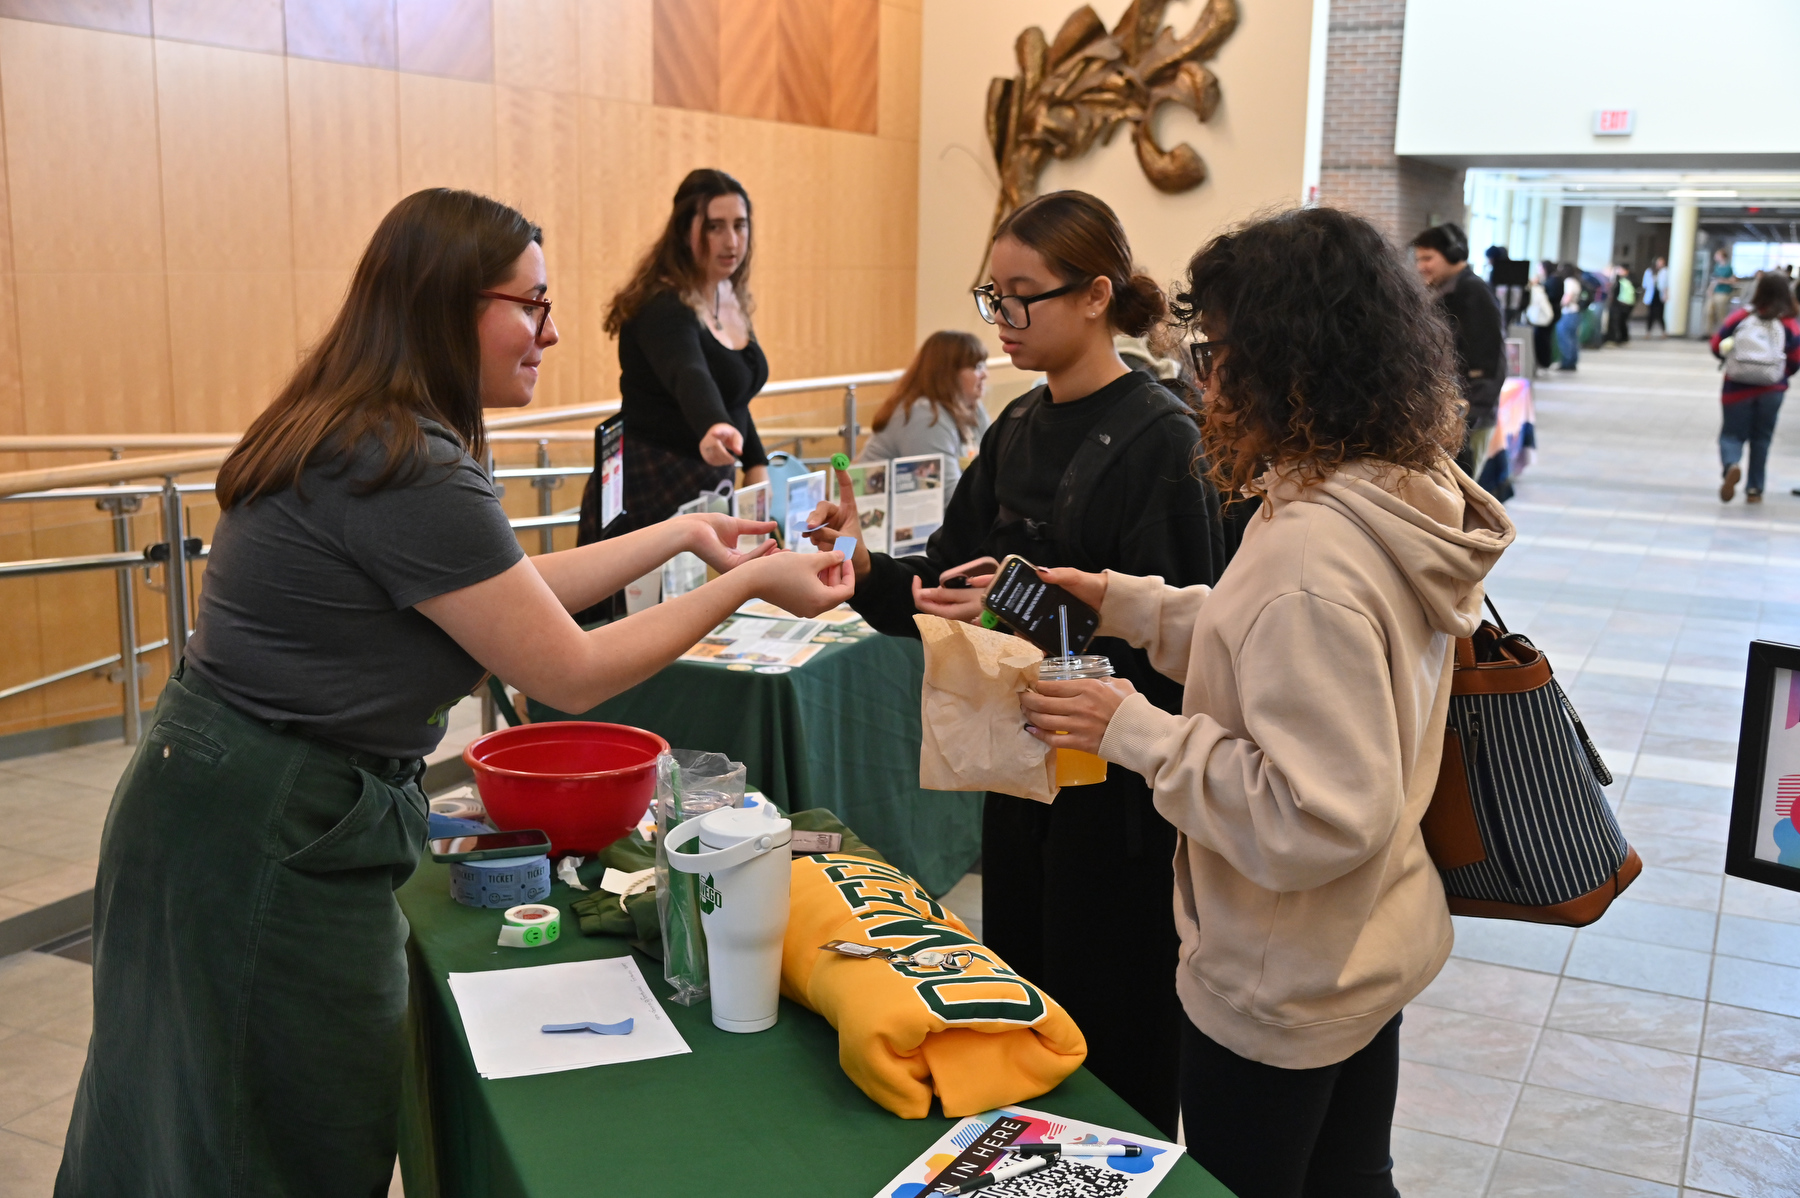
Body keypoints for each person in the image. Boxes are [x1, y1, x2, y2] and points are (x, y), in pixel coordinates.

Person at [55, 189, 854, 1196]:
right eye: (531, 304)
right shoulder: (406, 463)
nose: (553, 331)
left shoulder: (374, 430)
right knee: (264, 1137)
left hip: (217, 795)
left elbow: (500, 600)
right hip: (260, 828)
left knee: (192, 1119)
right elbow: (563, 667)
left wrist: (686, 537)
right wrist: (744, 586)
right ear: (446, 305)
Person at [1017, 205, 1515, 1198]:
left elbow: (1318, 809)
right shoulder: (1384, 490)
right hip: (1361, 945)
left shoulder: (1308, 553)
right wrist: (1129, 604)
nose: (1204, 377)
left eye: (1219, 350)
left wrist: (1138, 732)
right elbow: (1282, 653)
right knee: (1352, 1179)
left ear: (1288, 363)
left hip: (1283, 975)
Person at [806, 190, 1230, 1137]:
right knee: (1025, 1024)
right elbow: (948, 584)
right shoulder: (1017, 426)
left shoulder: (1165, 442)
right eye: (991, 296)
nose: (1001, 321)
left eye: (1022, 297)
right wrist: (864, 565)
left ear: (1096, 296)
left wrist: (1009, 612)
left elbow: (1187, 656)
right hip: (1021, 784)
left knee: (1116, 1052)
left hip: (1119, 812)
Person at [575, 169, 769, 572]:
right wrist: (714, 424)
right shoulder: (662, 305)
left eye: (740, 225)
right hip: (652, 483)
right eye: (715, 227)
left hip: (707, 482)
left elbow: (735, 396)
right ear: (685, 231)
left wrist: (756, 464)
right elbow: (690, 374)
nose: (731, 241)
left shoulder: (727, 293)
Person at [1410, 223, 1506, 478]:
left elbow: (1486, 358)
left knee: (1463, 488)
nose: (1421, 266)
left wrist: (1470, 415)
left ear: (1454, 253)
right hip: (1454, 411)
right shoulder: (1447, 290)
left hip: (1466, 414)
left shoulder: (1471, 291)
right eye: (1419, 259)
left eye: (1428, 258)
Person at [859, 330, 990, 500]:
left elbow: (993, 467)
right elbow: (949, 497)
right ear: (948, 373)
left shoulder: (973, 408)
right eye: (976, 367)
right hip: (879, 518)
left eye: (983, 365)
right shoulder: (924, 415)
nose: (985, 374)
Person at [1712, 271, 1800, 504]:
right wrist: (1780, 376)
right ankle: (1754, 489)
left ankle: (1731, 465)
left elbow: (1715, 344)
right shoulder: (1789, 322)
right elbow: (1796, 359)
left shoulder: (1742, 316)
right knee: (1761, 439)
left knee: (1731, 434)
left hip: (1736, 388)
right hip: (1772, 390)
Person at [1526, 264, 1556, 374]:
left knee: (1543, 341)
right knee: (1544, 341)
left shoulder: (1551, 281)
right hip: (1546, 318)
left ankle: (1544, 363)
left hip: (1544, 319)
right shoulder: (1549, 281)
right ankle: (1544, 363)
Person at [1554, 261, 1583, 369]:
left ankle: (1567, 362)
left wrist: (1559, 305)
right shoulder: (1575, 281)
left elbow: (1567, 297)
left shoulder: (1569, 282)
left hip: (1568, 312)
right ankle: (1572, 361)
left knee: (1565, 338)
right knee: (1572, 338)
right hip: (1575, 313)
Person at [1706, 248, 1738, 336]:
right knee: (1709, 311)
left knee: (1721, 313)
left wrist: (1722, 281)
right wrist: (1710, 289)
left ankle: (1722, 333)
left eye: (1717, 255)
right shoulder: (1717, 267)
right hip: (1715, 292)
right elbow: (1714, 280)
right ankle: (1709, 333)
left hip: (1723, 292)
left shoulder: (1728, 268)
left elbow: (1733, 281)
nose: (1715, 257)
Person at [1607, 264, 1635, 344]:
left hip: (1623, 303)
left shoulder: (1625, 280)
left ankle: (1618, 338)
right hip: (1623, 303)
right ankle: (1622, 338)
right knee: (1621, 321)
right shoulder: (1622, 279)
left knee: (1619, 321)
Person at [1643, 256, 1669, 337]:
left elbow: (1667, 284)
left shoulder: (1665, 271)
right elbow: (1645, 284)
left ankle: (1663, 332)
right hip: (1652, 295)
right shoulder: (1649, 271)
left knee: (1660, 314)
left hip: (1660, 295)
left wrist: (1666, 294)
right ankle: (1648, 331)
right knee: (1651, 314)